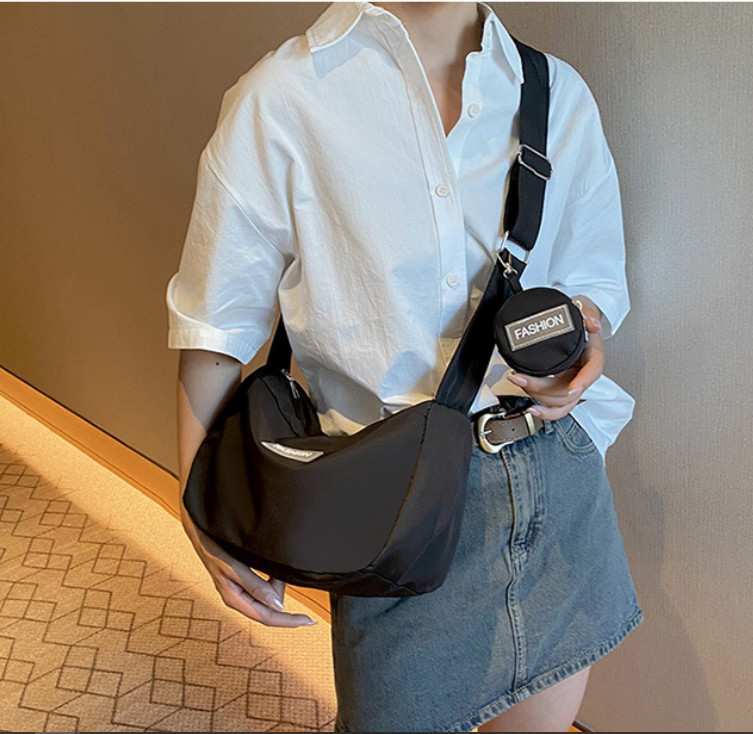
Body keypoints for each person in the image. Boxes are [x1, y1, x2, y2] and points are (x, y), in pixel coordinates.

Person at [166, 2, 643, 731]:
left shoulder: (554, 91)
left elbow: (591, 280)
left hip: (554, 483)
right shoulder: (283, 97)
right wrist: (201, 506)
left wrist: (583, 347)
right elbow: (215, 323)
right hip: (392, 510)